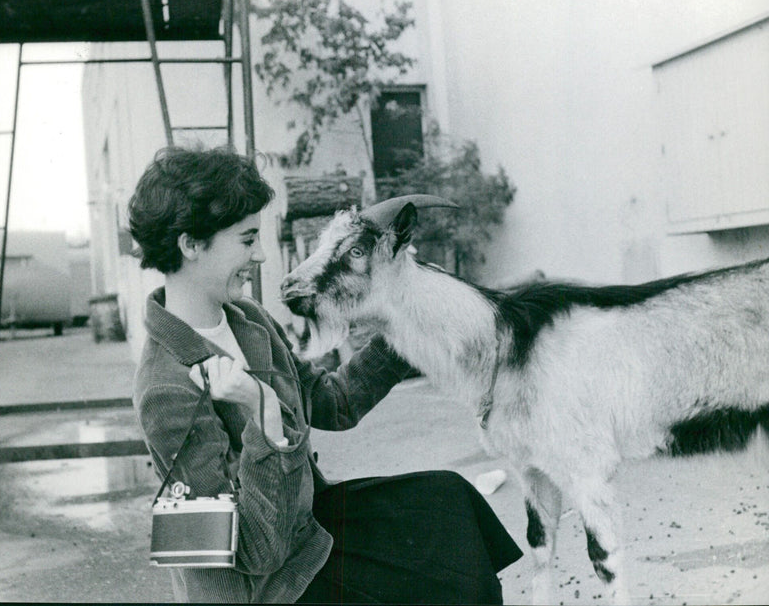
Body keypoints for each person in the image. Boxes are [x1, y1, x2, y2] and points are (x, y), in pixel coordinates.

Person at [128, 145, 522, 603]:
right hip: (265, 586)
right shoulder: (164, 389)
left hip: (307, 527)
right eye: (246, 238)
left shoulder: (248, 320)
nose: (259, 255)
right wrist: (265, 416)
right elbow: (254, 552)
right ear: (191, 244)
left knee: (446, 504)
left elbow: (332, 403)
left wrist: (407, 326)